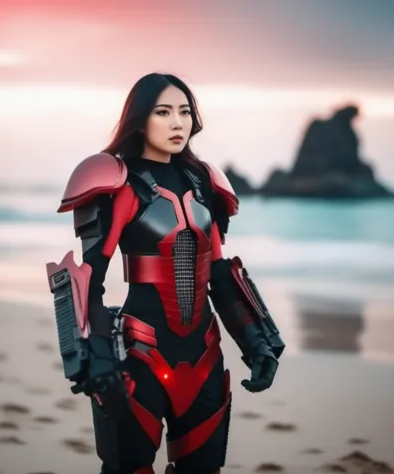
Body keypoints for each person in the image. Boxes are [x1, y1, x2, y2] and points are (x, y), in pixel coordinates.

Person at [46, 72, 285, 474]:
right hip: (140, 355)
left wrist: (255, 342)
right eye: (163, 112)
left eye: (185, 112)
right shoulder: (114, 180)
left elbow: (220, 273)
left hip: (204, 356)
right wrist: (96, 359)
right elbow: (88, 279)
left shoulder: (205, 181)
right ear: (139, 119)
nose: (178, 123)